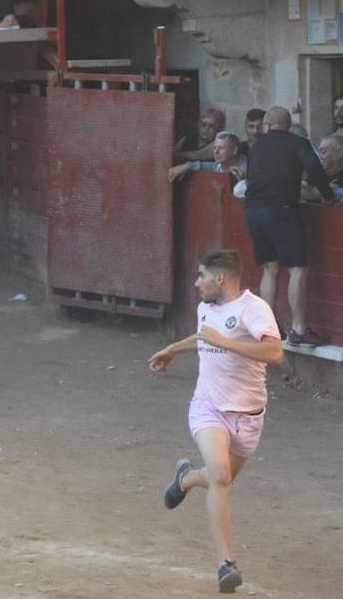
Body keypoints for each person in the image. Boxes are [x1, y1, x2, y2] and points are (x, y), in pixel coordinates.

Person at [148, 250, 283, 594]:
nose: (196, 283)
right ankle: (226, 564)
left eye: (201, 275)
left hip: (249, 417)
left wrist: (228, 343)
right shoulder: (205, 308)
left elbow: (275, 352)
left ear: (220, 279)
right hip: (208, 408)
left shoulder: (253, 310)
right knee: (221, 476)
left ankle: (188, 477)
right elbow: (203, 339)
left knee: (218, 477)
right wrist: (171, 350)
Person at [244, 107, 335, 347]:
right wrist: (328, 195)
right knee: (297, 269)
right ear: (287, 124)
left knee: (270, 268)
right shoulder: (298, 142)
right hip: (281, 209)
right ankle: (299, 329)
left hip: (253, 210)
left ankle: (267, 327)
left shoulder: (256, 146)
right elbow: (315, 169)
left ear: (268, 125)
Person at [168, 132, 247, 184]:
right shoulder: (218, 165)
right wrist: (187, 166)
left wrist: (242, 181)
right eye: (215, 148)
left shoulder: (250, 167)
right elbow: (204, 165)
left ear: (234, 150)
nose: (216, 152)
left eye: (221, 148)